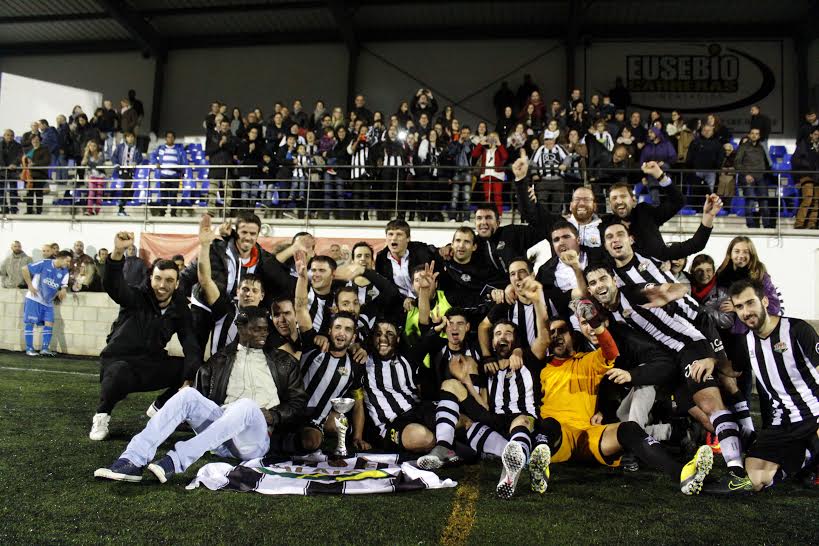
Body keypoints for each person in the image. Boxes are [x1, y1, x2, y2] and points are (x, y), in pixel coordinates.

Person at [584, 263, 752, 493]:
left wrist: (670, 292)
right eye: (593, 283)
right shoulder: (610, 316)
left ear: (613, 279)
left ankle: (737, 473)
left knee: (710, 403)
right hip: (671, 364)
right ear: (590, 290)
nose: (599, 285)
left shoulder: (632, 292)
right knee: (704, 419)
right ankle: (752, 447)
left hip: (688, 346)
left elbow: (675, 289)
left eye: (603, 278)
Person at [93, 306, 307, 483]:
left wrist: (273, 415)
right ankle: (132, 460)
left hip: (255, 439)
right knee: (187, 396)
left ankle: (175, 461)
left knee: (246, 406)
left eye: (265, 329)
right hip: (221, 436)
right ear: (240, 329)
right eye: (256, 329)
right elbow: (200, 399)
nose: (263, 333)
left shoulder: (284, 362)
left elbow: (298, 403)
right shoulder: (219, 360)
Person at [527, 303, 714, 496]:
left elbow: (610, 352)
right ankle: (540, 467)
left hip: (589, 435)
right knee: (549, 424)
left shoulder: (588, 360)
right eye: (552, 332)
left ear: (572, 335)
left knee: (630, 429)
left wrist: (595, 322)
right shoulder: (540, 367)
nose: (556, 335)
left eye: (562, 331)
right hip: (558, 438)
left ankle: (683, 475)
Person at [89, 231, 202, 442]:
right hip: (120, 361)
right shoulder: (136, 297)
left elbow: (191, 345)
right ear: (150, 278)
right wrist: (117, 252)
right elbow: (114, 286)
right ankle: (102, 415)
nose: (162, 285)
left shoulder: (180, 309)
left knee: (196, 369)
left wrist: (188, 379)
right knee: (117, 372)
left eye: (169, 280)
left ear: (177, 284)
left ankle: (159, 406)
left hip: (150, 363)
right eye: (158, 278)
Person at [727, 279, 819, 491]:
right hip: (782, 422)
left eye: (750, 303)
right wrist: (710, 361)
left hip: (814, 414)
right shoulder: (745, 342)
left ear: (765, 301)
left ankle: (809, 452)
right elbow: (734, 369)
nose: (746, 311)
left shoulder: (797, 330)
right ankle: (804, 457)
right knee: (754, 479)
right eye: (739, 307)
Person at [21, 250, 70, 356]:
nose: (68, 264)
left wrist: (63, 290)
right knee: (30, 322)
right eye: (67, 261)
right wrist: (30, 285)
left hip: (48, 301)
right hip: (34, 298)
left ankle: (44, 349)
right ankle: (29, 349)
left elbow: (64, 286)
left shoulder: (65, 271)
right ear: (61, 258)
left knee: (49, 322)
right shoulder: (45, 263)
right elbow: (24, 268)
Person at [734, 128, 774, 228]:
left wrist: (766, 172)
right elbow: (737, 163)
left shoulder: (761, 147)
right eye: (752, 133)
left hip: (761, 177)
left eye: (757, 134)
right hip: (748, 177)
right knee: (750, 200)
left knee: (764, 201)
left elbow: (766, 162)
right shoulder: (743, 147)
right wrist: (746, 174)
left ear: (759, 136)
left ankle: (767, 224)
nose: (754, 135)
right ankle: (750, 224)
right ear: (749, 135)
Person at [153, 131, 187, 217]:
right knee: (163, 195)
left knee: (173, 195)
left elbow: (184, 161)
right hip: (164, 175)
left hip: (174, 175)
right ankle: (162, 213)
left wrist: (182, 172)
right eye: (168, 137)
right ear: (165, 138)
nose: (170, 139)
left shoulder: (179, 150)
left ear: (174, 139)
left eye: (172, 137)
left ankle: (173, 213)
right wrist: (155, 162)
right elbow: (152, 156)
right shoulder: (161, 148)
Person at [791, 126, 819, 229]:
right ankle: (799, 223)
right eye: (816, 134)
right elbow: (796, 160)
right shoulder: (803, 145)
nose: (817, 137)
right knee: (808, 198)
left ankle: (812, 223)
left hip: (817, 177)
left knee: (816, 201)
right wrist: (809, 165)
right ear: (811, 135)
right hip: (806, 175)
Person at [111, 132, 143, 217]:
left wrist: (136, 162)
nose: (131, 138)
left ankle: (122, 208)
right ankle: (120, 208)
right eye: (129, 136)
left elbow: (140, 158)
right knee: (122, 189)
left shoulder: (137, 148)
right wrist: (117, 164)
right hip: (121, 170)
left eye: (132, 136)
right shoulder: (120, 147)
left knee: (126, 190)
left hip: (131, 171)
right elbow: (114, 157)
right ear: (126, 138)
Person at [23, 134, 51, 215]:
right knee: (29, 194)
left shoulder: (45, 149)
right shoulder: (28, 150)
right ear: (31, 141)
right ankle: (29, 211)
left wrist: (34, 164)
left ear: (39, 140)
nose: (35, 141)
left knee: (39, 194)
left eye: (37, 139)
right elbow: (23, 160)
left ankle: (39, 211)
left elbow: (46, 161)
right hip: (29, 175)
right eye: (33, 139)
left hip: (40, 175)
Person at [0, 129, 23, 214]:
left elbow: (20, 156)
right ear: (4, 136)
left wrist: (14, 164)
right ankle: (4, 208)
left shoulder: (18, 146)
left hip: (13, 171)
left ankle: (14, 209)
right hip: (1, 171)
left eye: (11, 135)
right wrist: (3, 166)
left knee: (13, 191)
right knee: (1, 192)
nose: (9, 137)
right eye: (8, 135)